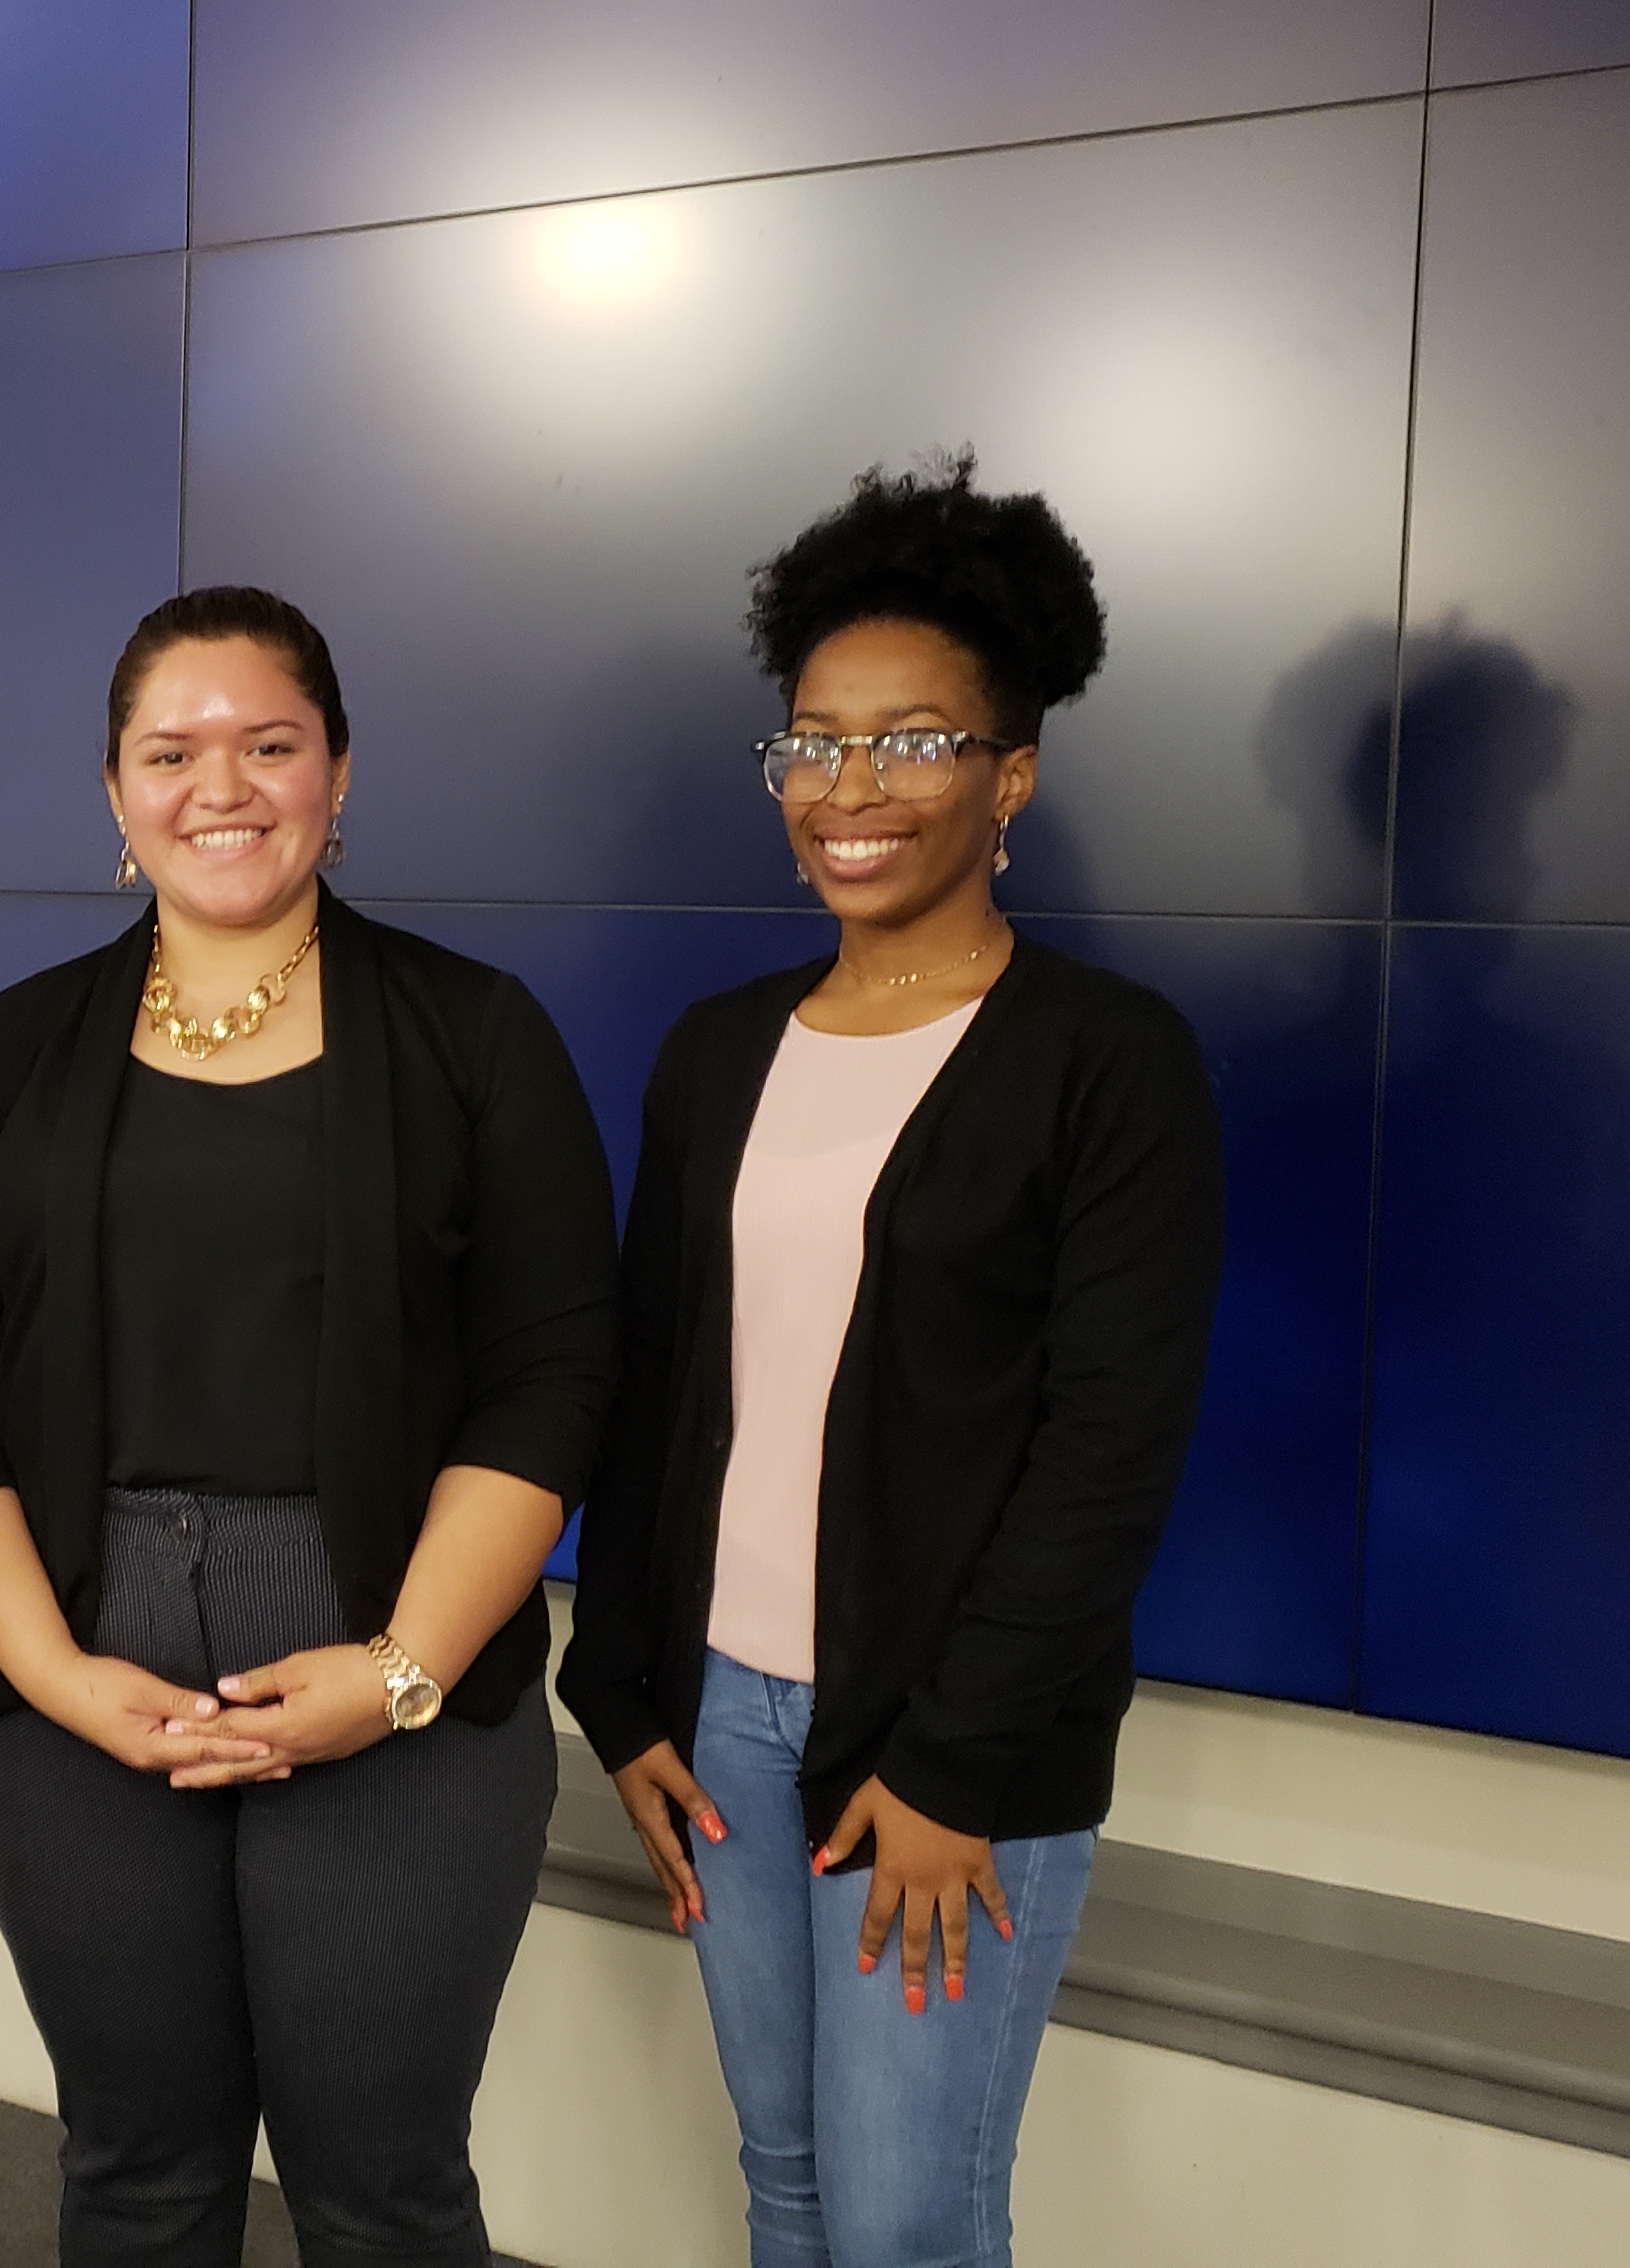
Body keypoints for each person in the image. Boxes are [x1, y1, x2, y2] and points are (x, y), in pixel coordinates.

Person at [0, 587, 620, 2267]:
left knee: (384, 2185)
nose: (220, 786)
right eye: (171, 753)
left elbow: (555, 1373)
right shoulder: (6, 1054)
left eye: (268, 744)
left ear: (338, 773)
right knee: (136, 2165)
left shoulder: (475, 1034)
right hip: (75, 1647)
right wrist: (53, 1674)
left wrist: (403, 1669)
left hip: (395, 1637)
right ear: (115, 791)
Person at [558, 456, 1227, 2267]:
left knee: (909, 2226)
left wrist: (955, 1770)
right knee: (785, 2185)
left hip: (947, 1747)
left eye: (914, 742)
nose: (850, 789)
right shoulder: (718, 1051)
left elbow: (1108, 1451)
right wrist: (618, 1689)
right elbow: (654, 1385)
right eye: (814, 743)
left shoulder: (1106, 1062)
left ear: (1013, 775)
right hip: (719, 1721)